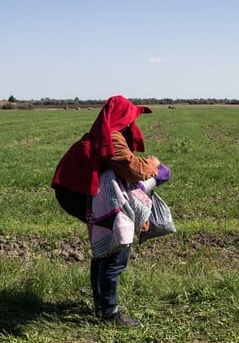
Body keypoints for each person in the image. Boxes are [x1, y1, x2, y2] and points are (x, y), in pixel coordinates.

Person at [52, 95, 169, 326]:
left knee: (103, 250)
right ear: (123, 118)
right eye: (130, 117)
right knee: (116, 249)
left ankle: (102, 306)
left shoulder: (105, 134)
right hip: (84, 197)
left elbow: (125, 165)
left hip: (78, 194)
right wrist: (153, 166)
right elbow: (132, 170)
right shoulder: (112, 137)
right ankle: (109, 313)